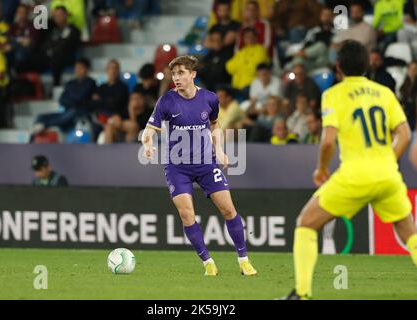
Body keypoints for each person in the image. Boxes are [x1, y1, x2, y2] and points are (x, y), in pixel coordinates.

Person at [282, 40, 417, 300]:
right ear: (367, 64)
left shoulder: (333, 94)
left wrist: (321, 168)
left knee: (306, 224)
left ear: (338, 65)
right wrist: (388, 160)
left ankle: (301, 293)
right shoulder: (384, 93)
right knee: (410, 234)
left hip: (355, 175)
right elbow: (404, 133)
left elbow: (328, 140)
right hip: (388, 175)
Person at [142, 55, 257, 276]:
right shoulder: (166, 101)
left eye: (181, 73)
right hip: (178, 168)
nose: (176, 78)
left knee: (228, 209)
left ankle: (244, 260)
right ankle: (208, 263)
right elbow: (149, 128)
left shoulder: (210, 98)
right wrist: (147, 143)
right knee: (187, 214)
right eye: (174, 74)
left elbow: (214, 124)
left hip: (206, 164)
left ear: (192, 74)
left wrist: (220, 150)